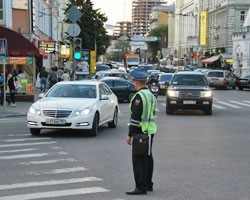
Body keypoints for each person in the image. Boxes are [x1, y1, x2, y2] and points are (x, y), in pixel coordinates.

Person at [126, 70, 157, 195]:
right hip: (150, 130)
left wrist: (129, 135)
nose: (133, 83)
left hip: (140, 132)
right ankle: (148, 184)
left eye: (133, 81)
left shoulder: (139, 97)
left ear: (136, 82)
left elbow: (135, 118)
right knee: (147, 158)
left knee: (138, 160)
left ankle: (140, 187)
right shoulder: (150, 95)